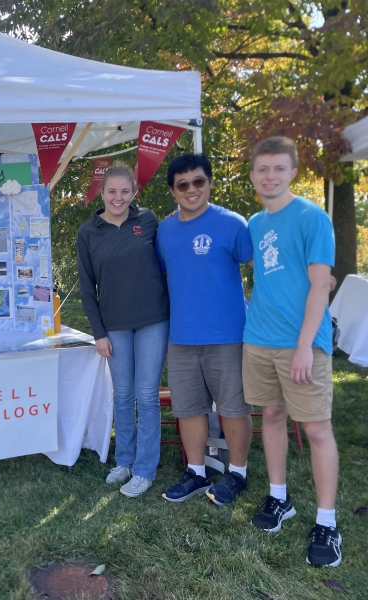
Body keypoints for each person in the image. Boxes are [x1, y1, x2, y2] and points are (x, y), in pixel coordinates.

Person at [243, 137, 341, 567]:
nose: (270, 176)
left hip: (303, 344)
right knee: (272, 416)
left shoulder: (312, 217)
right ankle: (279, 498)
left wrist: (305, 346)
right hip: (259, 339)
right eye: (262, 169)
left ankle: (327, 523)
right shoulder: (255, 223)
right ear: (252, 176)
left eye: (278, 168)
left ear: (292, 172)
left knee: (318, 430)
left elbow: (322, 284)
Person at [156, 154, 254, 505]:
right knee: (188, 409)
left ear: (210, 183)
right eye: (182, 184)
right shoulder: (164, 230)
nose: (191, 189)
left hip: (228, 335)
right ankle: (196, 472)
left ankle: (237, 474)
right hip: (182, 337)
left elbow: (263, 270)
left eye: (198, 181)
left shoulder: (233, 224)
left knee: (234, 408)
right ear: (173, 191)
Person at [76, 162, 170, 498]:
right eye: (112, 191)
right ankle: (125, 460)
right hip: (113, 326)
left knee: (146, 396)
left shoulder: (148, 221)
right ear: (102, 193)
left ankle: (145, 469)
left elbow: (165, 268)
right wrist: (98, 332)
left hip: (153, 321)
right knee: (122, 395)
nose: (119, 197)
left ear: (134, 192)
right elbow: (88, 288)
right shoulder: (88, 233)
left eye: (125, 191)